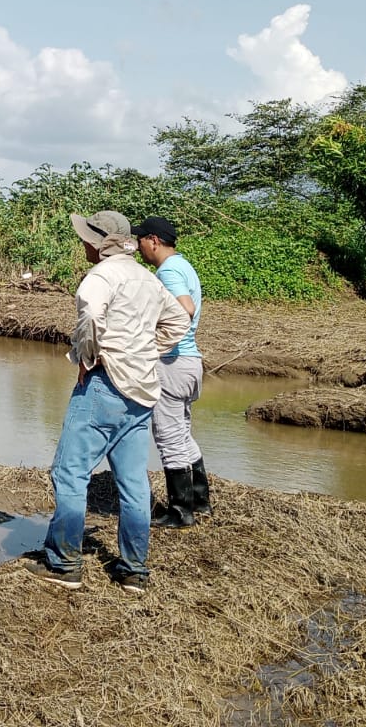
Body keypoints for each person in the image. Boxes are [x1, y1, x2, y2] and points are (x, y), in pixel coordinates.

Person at [27, 210, 191, 593]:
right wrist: (146, 352)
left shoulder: (100, 277)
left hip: (105, 386)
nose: (82, 242)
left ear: (99, 242)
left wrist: (89, 358)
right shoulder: (147, 279)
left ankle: (64, 563)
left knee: (69, 473)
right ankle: (133, 570)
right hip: (142, 393)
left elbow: (90, 316)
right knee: (133, 483)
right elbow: (180, 321)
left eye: (86, 237)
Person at [134, 215, 211, 528]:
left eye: (140, 240)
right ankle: (200, 502)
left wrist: (158, 339)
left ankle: (180, 512)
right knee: (181, 433)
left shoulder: (167, 271)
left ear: (153, 240)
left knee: (168, 437)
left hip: (171, 364)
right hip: (190, 362)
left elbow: (185, 308)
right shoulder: (183, 265)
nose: (138, 246)